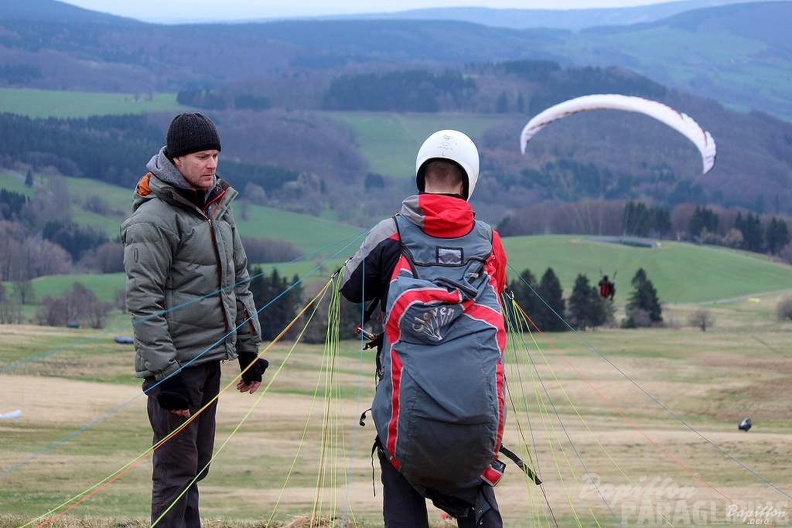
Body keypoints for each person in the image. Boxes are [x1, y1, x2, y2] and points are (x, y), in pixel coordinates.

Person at [340, 130, 508, 528]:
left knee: (398, 460)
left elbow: (350, 291)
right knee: (473, 484)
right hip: (475, 410)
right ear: (469, 180)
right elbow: (495, 293)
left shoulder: (390, 234)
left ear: (421, 175)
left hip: (405, 410)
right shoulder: (490, 242)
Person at [121, 112, 268, 528]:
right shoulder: (153, 219)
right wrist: (166, 375)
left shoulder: (217, 211)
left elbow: (238, 281)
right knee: (174, 471)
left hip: (207, 362)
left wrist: (248, 349)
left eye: (216, 155)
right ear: (177, 159)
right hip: (175, 369)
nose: (212, 164)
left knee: (197, 464)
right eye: (202, 156)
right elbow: (143, 302)